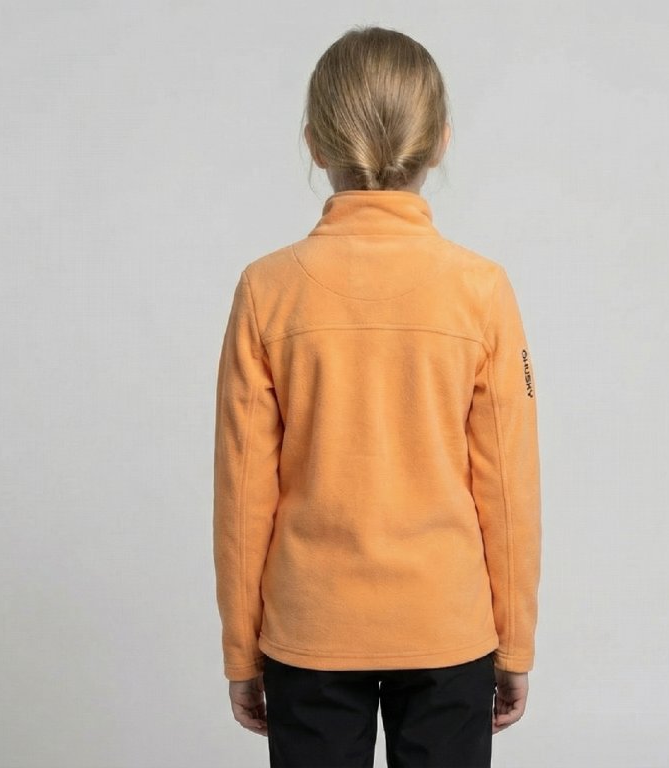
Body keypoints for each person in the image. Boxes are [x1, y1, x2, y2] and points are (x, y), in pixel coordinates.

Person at [213, 25, 542, 768]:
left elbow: (243, 493)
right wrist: (515, 639)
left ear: (314, 143)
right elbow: (508, 488)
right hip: (446, 625)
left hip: (311, 628)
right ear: (441, 142)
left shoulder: (267, 290)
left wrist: (241, 649)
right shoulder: (481, 291)